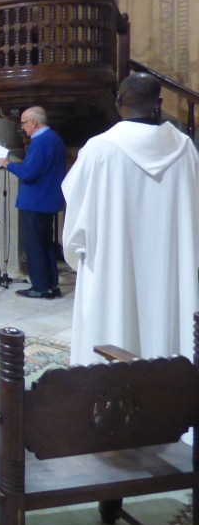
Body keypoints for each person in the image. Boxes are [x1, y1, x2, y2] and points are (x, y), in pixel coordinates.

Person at [62, 73, 199, 366]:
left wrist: (76, 252)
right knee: (166, 338)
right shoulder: (185, 148)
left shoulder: (99, 149)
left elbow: (76, 210)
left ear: (118, 101)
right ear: (159, 103)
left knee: (113, 325)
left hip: (113, 267)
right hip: (169, 268)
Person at [0, 106, 66, 299]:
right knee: (46, 244)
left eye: (24, 123)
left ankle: (40, 287)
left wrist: (8, 164)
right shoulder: (54, 138)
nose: (22, 127)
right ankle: (51, 284)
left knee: (34, 245)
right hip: (48, 199)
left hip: (35, 201)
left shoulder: (40, 141)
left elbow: (29, 173)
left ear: (34, 123)